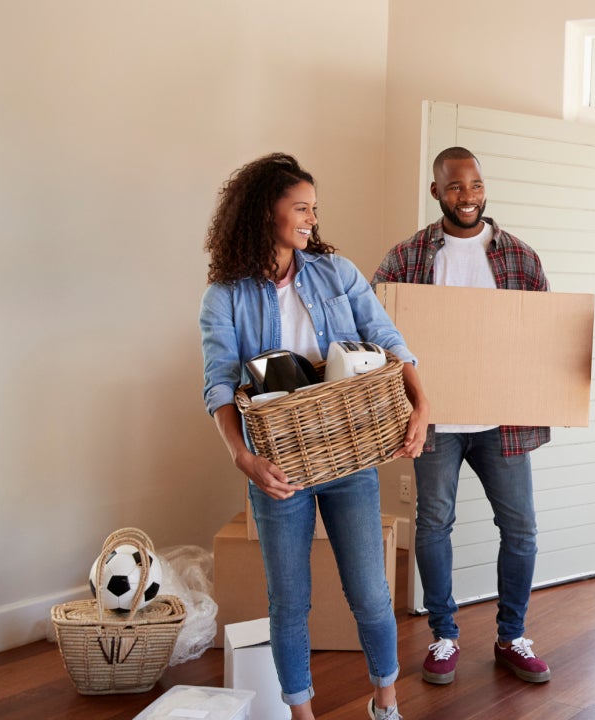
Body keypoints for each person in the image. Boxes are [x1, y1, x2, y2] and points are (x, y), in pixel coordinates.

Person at [200, 153, 430, 720]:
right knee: (289, 601)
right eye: (300, 208)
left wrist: (422, 404)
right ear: (264, 213)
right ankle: (301, 714)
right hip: (278, 468)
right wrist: (243, 459)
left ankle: (386, 702)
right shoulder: (224, 296)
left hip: (348, 454)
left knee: (372, 593)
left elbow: (386, 337)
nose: (310, 219)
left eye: (313, 209)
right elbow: (220, 385)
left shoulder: (337, 273)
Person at [372, 146, 553, 687]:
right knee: (433, 525)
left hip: (503, 422)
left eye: (474, 185)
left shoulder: (519, 258)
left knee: (520, 529)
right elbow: (374, 326)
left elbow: (544, 334)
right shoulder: (407, 258)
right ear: (436, 192)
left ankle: (511, 636)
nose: (467, 196)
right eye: (454, 187)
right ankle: (444, 635)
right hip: (436, 422)